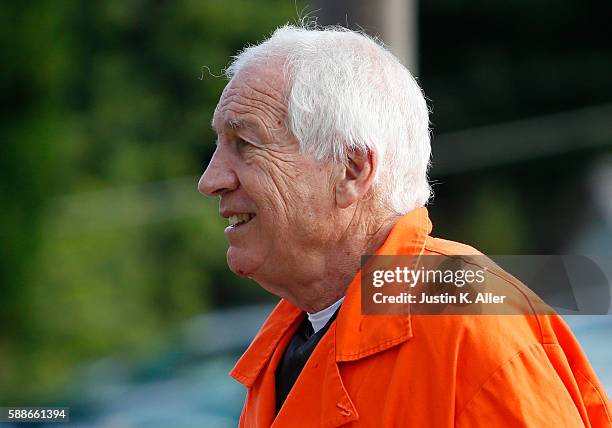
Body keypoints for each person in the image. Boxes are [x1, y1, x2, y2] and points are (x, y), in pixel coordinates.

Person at [198, 25, 611, 427]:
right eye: (219, 145)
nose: (211, 179)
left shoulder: (468, 324)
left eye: (246, 144)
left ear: (352, 170)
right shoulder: (289, 345)